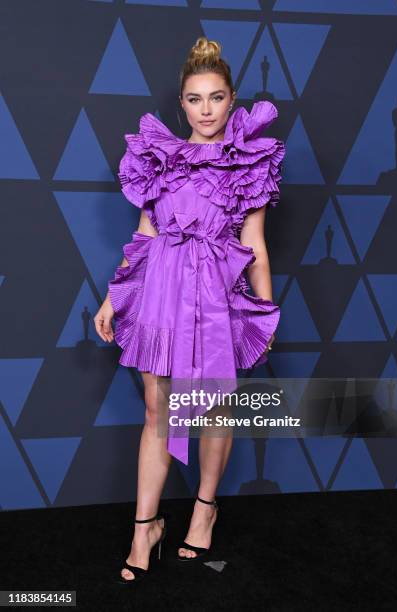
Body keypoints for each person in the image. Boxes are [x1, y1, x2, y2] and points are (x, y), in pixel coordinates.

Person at [94, 36, 285, 584]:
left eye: (216, 98)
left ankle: (204, 513)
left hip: (216, 299)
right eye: (195, 99)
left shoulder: (249, 161)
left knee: (213, 409)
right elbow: (144, 236)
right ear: (181, 104)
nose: (206, 110)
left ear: (232, 100)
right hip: (159, 295)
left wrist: (265, 311)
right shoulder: (160, 159)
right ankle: (144, 528)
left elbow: (257, 246)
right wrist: (113, 297)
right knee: (158, 410)